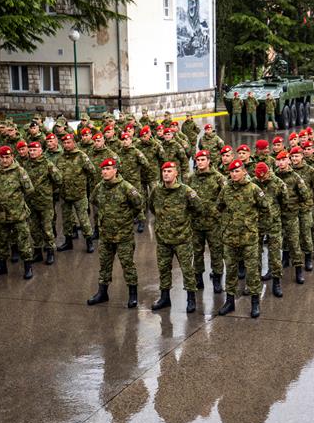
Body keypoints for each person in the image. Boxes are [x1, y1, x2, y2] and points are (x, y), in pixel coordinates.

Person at [216, 158, 270, 318]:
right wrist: (225, 226)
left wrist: (259, 230)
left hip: (249, 239)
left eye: (237, 171)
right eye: (232, 171)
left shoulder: (254, 189)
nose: (234, 174)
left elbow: (266, 210)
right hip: (230, 238)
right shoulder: (226, 190)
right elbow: (219, 206)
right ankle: (230, 301)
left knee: (252, 271)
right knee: (231, 270)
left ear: (244, 171)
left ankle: (255, 302)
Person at [87, 158, 143, 308]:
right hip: (105, 235)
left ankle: (133, 295)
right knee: (104, 265)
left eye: (108, 169)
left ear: (115, 170)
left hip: (123, 235)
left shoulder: (126, 187)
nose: (104, 172)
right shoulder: (99, 187)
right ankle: (102, 293)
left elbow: (138, 204)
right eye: (103, 169)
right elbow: (94, 200)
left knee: (127, 265)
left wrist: (125, 217)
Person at [149, 161, 203, 312]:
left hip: (182, 239)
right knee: (164, 269)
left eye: (169, 171)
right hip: (163, 239)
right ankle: (165, 298)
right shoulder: (157, 190)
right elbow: (151, 207)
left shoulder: (185, 191)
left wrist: (184, 221)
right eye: (164, 171)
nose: (166, 173)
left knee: (187, 270)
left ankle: (191, 299)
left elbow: (198, 207)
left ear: (176, 173)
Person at [0, 146, 35, 280]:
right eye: (2, 157)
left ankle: (28, 266)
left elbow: (29, 190)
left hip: (18, 213)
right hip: (2, 214)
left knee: (23, 240)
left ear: (12, 157)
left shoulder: (20, 171)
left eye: (7, 157)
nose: (4, 160)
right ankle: (2, 266)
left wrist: (17, 201)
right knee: (2, 240)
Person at [187, 150, 225, 294]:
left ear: (209, 161)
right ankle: (198, 279)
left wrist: (217, 213)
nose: (200, 162)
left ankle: (217, 279)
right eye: (198, 160)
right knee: (197, 252)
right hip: (196, 224)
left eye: (203, 159)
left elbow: (226, 197)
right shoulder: (191, 178)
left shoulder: (218, 178)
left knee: (216, 252)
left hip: (214, 224)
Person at [274, 149, 311, 284]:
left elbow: (306, 196)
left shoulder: (295, 177)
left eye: (284, 159)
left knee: (294, 243)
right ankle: (282, 262)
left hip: (292, 215)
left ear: (288, 161)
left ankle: (298, 270)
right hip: (278, 216)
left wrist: (299, 209)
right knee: (277, 243)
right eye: (279, 160)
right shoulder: (274, 177)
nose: (282, 162)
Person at [55, 133, 95, 253]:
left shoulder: (81, 156)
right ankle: (68, 242)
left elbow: (92, 171)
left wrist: (82, 183)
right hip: (64, 194)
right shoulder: (60, 158)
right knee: (67, 220)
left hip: (79, 194)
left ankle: (89, 241)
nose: (66, 145)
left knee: (83, 219)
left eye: (68, 142)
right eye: (64, 143)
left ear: (73, 143)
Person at [253, 161, 288, 297]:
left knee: (274, 254)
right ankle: (254, 284)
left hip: (274, 223)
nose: (262, 179)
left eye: (264, 177)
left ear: (268, 172)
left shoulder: (278, 183)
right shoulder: (253, 183)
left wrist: (276, 215)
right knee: (255, 254)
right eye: (259, 178)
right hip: (258, 223)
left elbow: (285, 202)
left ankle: (276, 282)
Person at [25, 141, 62, 265]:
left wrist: (49, 191)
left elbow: (58, 179)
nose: (32, 152)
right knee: (34, 229)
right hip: (31, 202)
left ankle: (50, 250)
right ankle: (38, 252)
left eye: (35, 150)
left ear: (40, 151)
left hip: (45, 202)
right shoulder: (26, 165)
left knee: (47, 228)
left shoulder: (48, 164)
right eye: (30, 150)